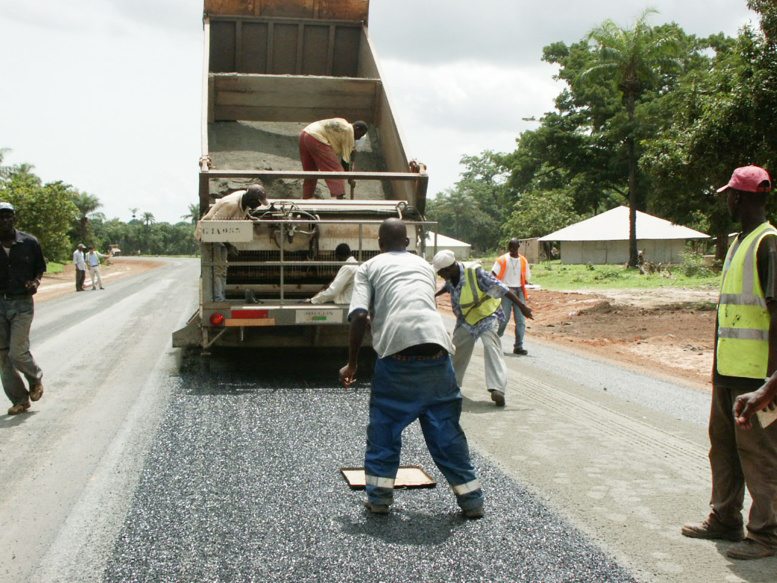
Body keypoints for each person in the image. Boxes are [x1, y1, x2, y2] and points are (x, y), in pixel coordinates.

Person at [339, 218, 484, 519]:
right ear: (407, 243)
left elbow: (359, 316)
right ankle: (472, 501)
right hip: (438, 352)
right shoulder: (422, 266)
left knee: (385, 428)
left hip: (398, 359)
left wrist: (352, 364)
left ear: (379, 244)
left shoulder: (368, 267)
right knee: (446, 432)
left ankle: (379, 499)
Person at [681, 165, 777, 560]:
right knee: (723, 446)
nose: (728, 200)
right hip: (729, 371)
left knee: (760, 453)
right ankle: (724, 517)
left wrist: (771, 383)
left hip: (757, 377)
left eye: (730, 194)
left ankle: (768, 535)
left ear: (740, 196)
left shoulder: (768, 243)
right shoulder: (743, 240)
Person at [434, 250, 532, 407]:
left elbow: (500, 287)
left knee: (491, 346)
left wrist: (522, 307)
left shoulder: (474, 272)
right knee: (457, 350)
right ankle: (451, 385)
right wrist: (433, 295)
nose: (440, 277)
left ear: (449, 269)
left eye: (441, 273)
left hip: (486, 315)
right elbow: (447, 287)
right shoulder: (451, 277)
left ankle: (497, 389)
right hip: (466, 319)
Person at [0, 202, 45, 415]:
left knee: (17, 352)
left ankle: (35, 377)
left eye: (8, 216)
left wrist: (35, 283)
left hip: (22, 304)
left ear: (14, 218)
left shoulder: (29, 242)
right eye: (1, 217)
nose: (5, 220)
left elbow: (39, 269)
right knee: (2, 356)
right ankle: (19, 399)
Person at [194, 184, 269, 302]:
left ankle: (220, 297)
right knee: (215, 269)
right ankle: (216, 300)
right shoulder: (231, 204)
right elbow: (213, 228)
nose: (259, 205)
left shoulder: (245, 199)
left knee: (222, 268)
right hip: (208, 236)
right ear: (251, 199)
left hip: (221, 236)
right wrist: (228, 246)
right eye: (258, 202)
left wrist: (248, 218)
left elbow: (236, 215)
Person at [299, 118, 368, 199]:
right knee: (336, 169)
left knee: (311, 172)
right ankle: (340, 197)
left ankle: (306, 198)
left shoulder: (343, 123)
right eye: (360, 135)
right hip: (316, 138)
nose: (358, 138)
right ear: (357, 129)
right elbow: (345, 162)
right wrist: (350, 178)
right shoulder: (350, 132)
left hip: (305, 134)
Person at [492, 238, 532, 355]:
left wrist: (526, 283)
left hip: (519, 291)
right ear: (508, 247)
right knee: (504, 319)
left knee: (521, 321)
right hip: (505, 292)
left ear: (518, 247)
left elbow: (525, 277)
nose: (513, 249)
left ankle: (518, 346)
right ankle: (495, 341)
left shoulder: (523, 261)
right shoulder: (502, 260)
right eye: (511, 247)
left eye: (515, 247)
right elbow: (493, 274)